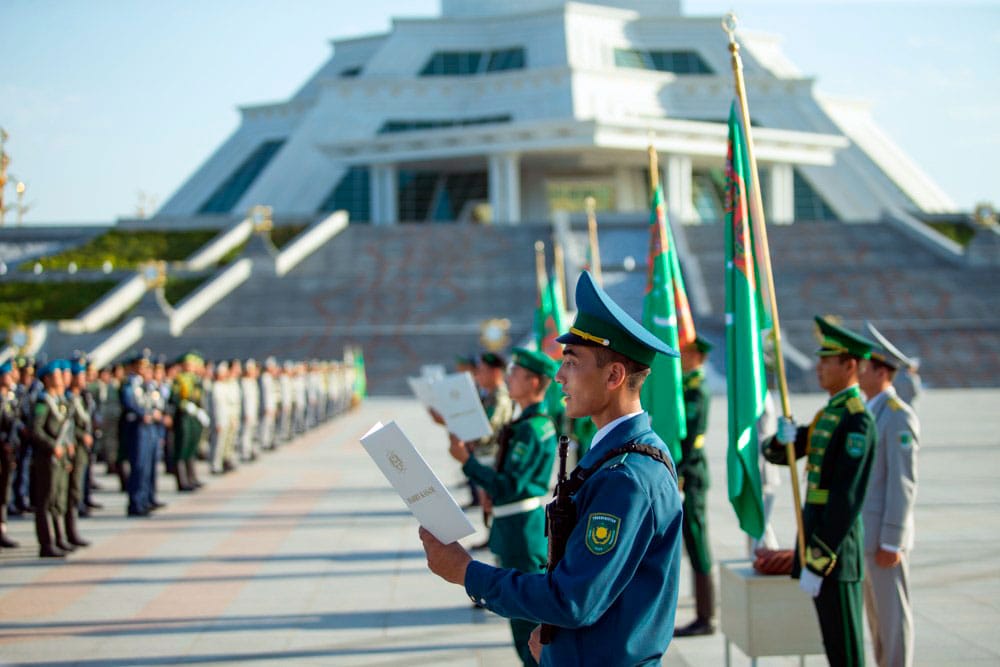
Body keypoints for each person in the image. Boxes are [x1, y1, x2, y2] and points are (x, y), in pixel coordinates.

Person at [420, 271, 683, 665]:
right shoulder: (618, 457)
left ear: (614, 375)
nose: (559, 376)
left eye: (573, 363)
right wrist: (559, 638)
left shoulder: (626, 477)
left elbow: (573, 599)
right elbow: (598, 590)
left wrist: (467, 573)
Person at [764, 316, 877, 667]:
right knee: (833, 645)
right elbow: (783, 454)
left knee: (846, 650)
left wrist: (819, 556)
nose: (819, 367)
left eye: (828, 360)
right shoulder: (828, 414)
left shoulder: (857, 420)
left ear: (850, 365)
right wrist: (781, 439)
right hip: (817, 544)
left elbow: (847, 497)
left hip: (834, 553)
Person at [448, 347, 559, 666]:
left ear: (535, 383)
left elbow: (509, 485)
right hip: (515, 526)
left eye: (516, 374)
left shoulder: (531, 428)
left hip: (521, 530)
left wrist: (468, 463)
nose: (508, 378)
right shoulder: (529, 423)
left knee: (526, 625)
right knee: (521, 618)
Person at [860, 322, 920, 667]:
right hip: (868, 536)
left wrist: (892, 541)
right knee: (877, 622)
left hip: (884, 539)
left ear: (882, 372)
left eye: (865, 367)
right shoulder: (870, 411)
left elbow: (903, 483)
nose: (859, 372)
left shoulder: (898, 417)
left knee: (893, 621)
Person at [674, 335, 716, 637]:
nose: (682, 356)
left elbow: (690, 437)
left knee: (697, 540)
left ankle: (706, 616)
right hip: (685, 471)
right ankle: (703, 612)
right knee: (691, 539)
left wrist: (679, 472)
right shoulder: (685, 387)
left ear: (698, 358)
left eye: (687, 353)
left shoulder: (697, 390)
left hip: (691, 474)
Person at [31, 360, 74, 557]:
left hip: (61, 456)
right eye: (56, 375)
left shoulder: (61, 401)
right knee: (46, 500)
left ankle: (58, 538)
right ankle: (46, 543)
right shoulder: (43, 402)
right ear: (47, 379)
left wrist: (68, 445)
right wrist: (52, 445)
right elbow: (36, 430)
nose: (61, 378)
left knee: (58, 498)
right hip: (47, 458)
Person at [0, 360, 21, 548]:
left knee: (4, 492)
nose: (13, 376)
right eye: (9, 373)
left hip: (9, 452)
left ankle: (2, 527)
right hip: (2, 451)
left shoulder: (10, 398)